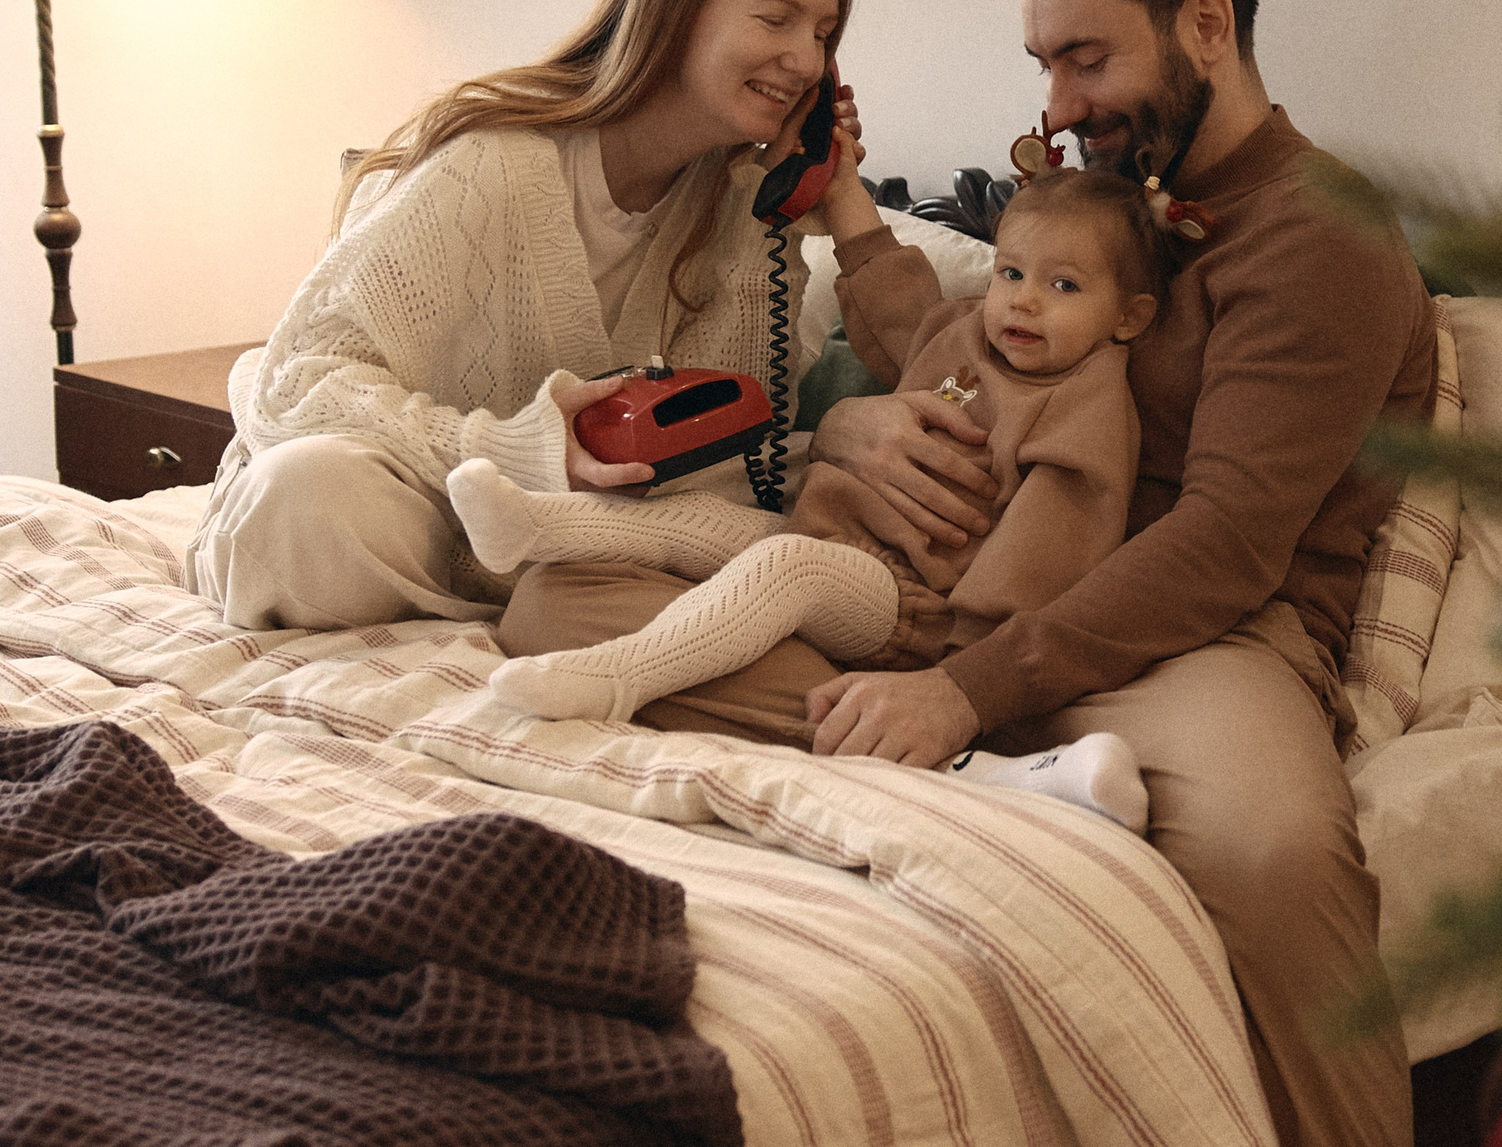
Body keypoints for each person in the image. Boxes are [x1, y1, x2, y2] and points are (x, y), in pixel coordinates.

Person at [501, 0, 1436, 1146]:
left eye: (1087, 60)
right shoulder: (1101, 208)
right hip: (962, 593)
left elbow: (1227, 542)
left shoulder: (1320, 236)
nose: (1060, 105)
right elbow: (949, 341)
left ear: (1207, 26)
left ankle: (977, 749)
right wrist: (846, 284)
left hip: (1200, 641)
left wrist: (963, 689)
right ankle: (1008, 777)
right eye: (1045, 64)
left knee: (1274, 854)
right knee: (561, 605)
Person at [187, 0, 858, 633]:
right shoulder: (489, 163)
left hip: (563, 535)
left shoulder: (747, 206)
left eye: (822, 36)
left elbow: (728, 459)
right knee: (311, 495)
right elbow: (294, 386)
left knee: (794, 512)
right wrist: (521, 449)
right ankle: (510, 578)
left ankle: (522, 580)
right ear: (674, 7)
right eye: (776, 20)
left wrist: (796, 204)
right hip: (395, 495)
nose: (806, 62)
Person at [461, 166, 1175, 830]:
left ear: (1129, 317)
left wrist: (962, 676)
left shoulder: (1086, 405)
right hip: (826, 537)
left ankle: (620, 677)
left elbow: (1049, 548)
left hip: (913, 602)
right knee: (701, 525)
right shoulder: (963, 334)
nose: (1024, 299)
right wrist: (841, 191)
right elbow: (894, 300)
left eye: (1064, 286)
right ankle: (535, 526)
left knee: (788, 568)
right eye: (1010, 272)